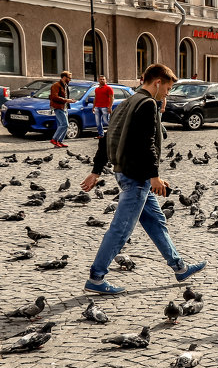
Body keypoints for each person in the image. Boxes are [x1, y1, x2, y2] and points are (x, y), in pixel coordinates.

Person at [81, 63, 205, 295]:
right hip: (136, 177)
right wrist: (154, 176)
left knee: (156, 222)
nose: (167, 93)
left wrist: (96, 170)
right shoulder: (147, 103)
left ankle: (180, 267)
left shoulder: (127, 101)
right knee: (121, 229)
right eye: (167, 88)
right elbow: (147, 144)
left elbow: (106, 138)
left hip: (128, 173)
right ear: (157, 82)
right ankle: (96, 278)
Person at [49, 71, 71, 147]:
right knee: (65, 124)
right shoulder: (56, 85)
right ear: (64, 77)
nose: (70, 80)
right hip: (58, 107)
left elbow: (65, 96)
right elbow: (54, 97)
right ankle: (54, 139)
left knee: (62, 125)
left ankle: (59, 142)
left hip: (64, 107)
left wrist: (68, 101)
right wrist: (66, 100)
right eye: (69, 78)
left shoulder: (65, 85)